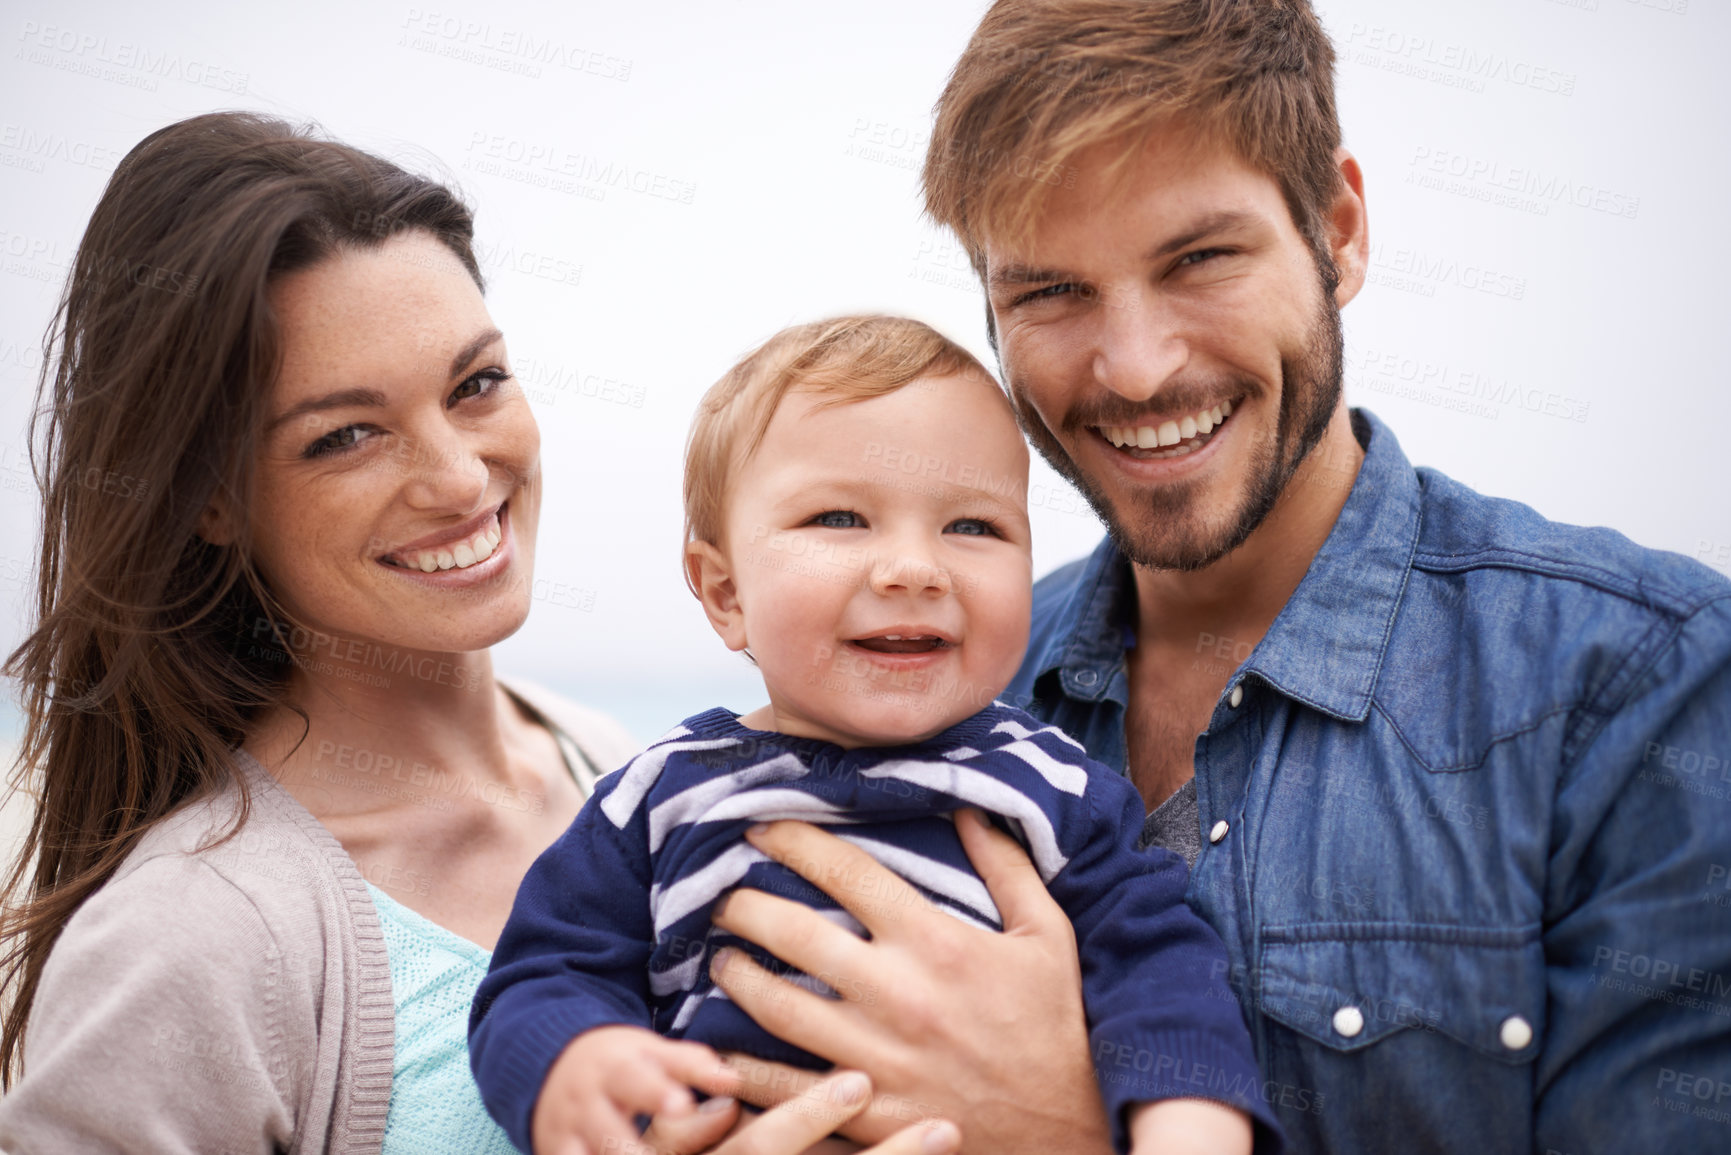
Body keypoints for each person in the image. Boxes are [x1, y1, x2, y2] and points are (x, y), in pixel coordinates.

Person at [682, 1, 1731, 1152]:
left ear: (1339, 231)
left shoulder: (1643, 681)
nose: (1136, 369)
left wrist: (1067, 1134)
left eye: (1200, 260)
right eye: (1051, 292)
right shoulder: (928, 681)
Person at [0, 112, 949, 1155]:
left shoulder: (620, 769)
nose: (459, 478)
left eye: (476, 383)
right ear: (210, 501)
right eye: (346, 436)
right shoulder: (188, 942)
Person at [470, 315, 1276, 1155]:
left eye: (973, 527)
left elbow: (1165, 975)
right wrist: (573, 1060)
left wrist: (1189, 1126)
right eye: (840, 518)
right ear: (723, 591)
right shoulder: (660, 792)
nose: (913, 568)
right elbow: (542, 973)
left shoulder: (1057, 790)